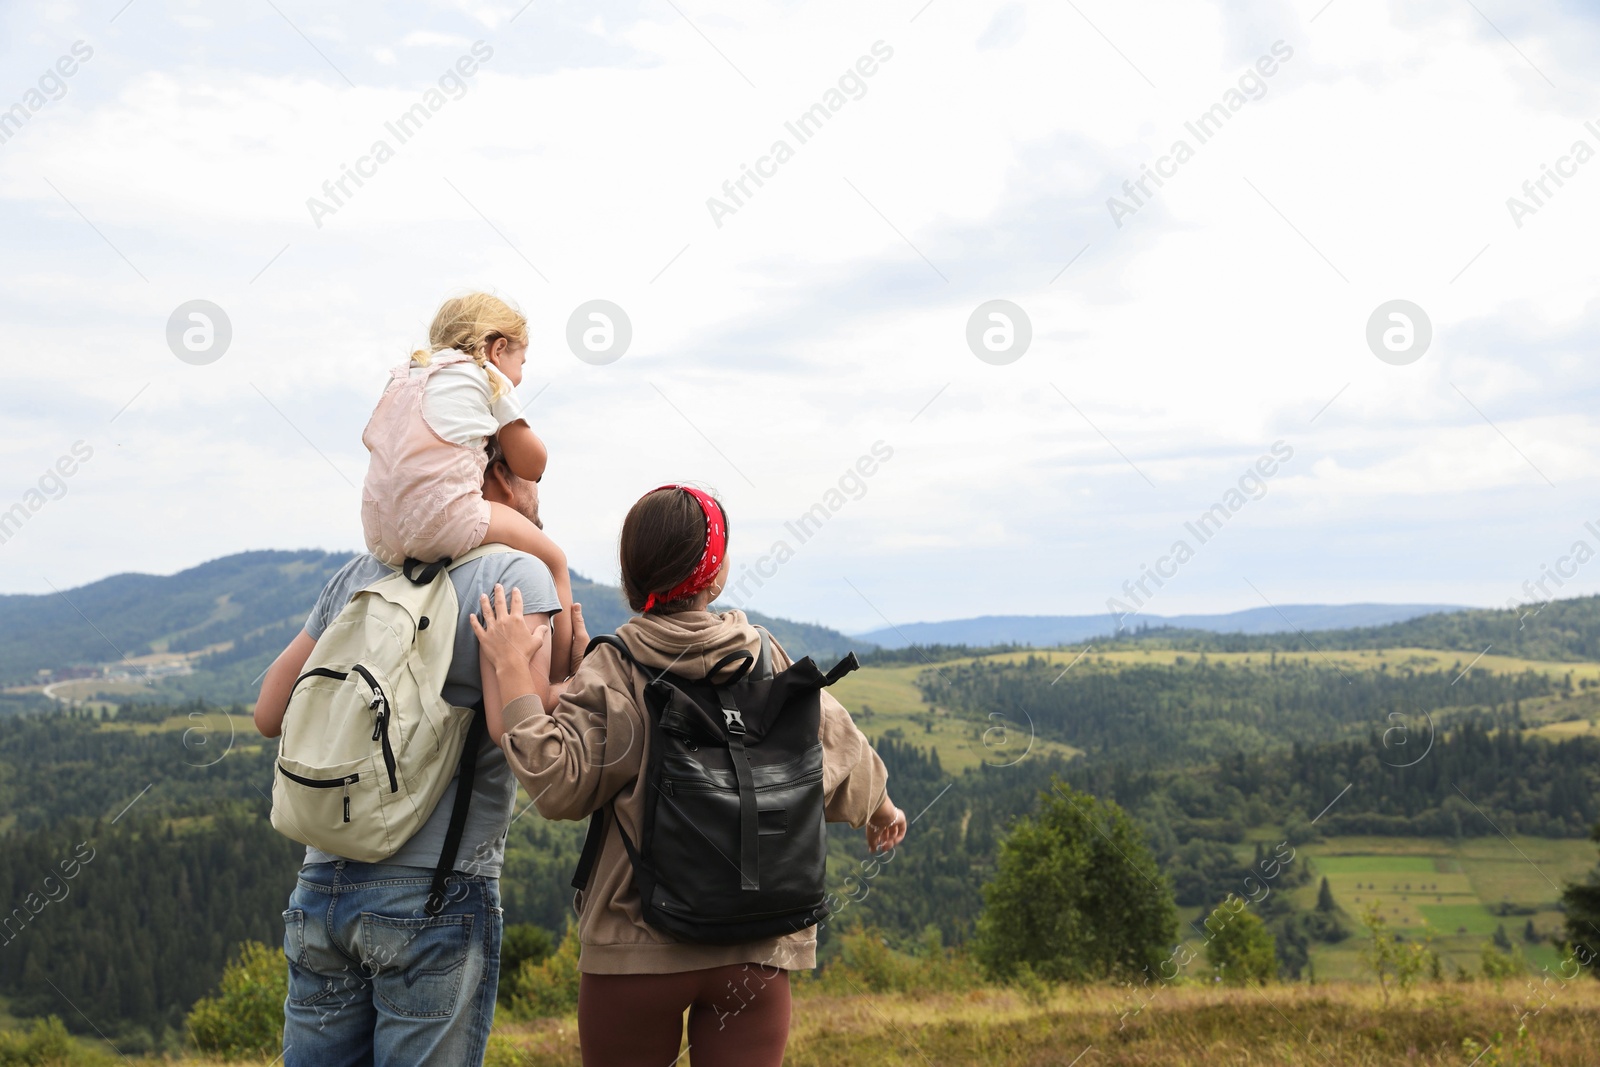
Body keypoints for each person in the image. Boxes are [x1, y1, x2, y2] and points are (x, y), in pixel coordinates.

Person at [471, 484, 909, 1067]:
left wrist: (511, 672)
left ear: (630, 576)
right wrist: (881, 810)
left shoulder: (618, 667)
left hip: (636, 946)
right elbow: (836, 743)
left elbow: (558, 784)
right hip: (755, 946)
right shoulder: (764, 656)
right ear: (717, 572)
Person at [254, 442, 588, 1067]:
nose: (537, 486)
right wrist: (568, 663)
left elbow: (269, 713)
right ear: (493, 476)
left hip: (321, 887)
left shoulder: (360, 574)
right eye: (528, 471)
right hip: (435, 895)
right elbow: (522, 732)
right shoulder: (515, 576)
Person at [361, 291, 576, 678]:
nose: (521, 375)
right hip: (447, 519)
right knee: (555, 560)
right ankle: (561, 675)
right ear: (497, 349)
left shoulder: (406, 377)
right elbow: (532, 463)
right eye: (521, 361)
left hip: (381, 535)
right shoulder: (486, 375)